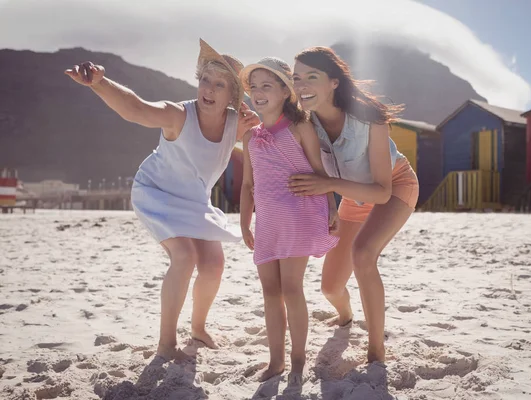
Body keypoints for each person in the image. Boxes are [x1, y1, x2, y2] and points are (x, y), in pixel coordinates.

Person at [65, 39, 259, 360]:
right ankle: (166, 344)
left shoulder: (236, 125)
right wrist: (100, 83)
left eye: (219, 84)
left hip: (194, 199)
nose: (208, 89)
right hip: (156, 191)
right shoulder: (178, 114)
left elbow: (272, 137)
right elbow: (135, 108)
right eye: (205, 80)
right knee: (184, 258)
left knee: (213, 265)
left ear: (233, 96)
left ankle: (198, 329)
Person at [289, 47, 419, 363]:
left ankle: (376, 350)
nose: (301, 85)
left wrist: (331, 187)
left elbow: (381, 192)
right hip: (351, 198)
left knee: (363, 254)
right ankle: (346, 318)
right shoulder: (304, 123)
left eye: (311, 77)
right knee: (331, 288)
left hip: (394, 187)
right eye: (296, 78)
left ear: (334, 82)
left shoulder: (370, 120)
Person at [239, 57, 339, 382]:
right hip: (267, 222)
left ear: (285, 91)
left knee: (291, 288)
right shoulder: (250, 137)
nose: (258, 92)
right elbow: (247, 185)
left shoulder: (300, 127)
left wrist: (332, 208)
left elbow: (320, 172)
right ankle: (276, 361)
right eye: (254, 87)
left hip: (299, 215)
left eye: (267, 85)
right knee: (269, 291)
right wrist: (244, 222)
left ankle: (298, 359)